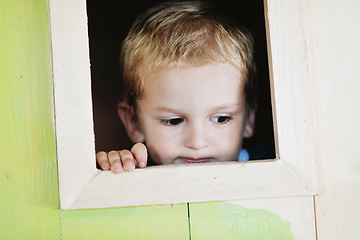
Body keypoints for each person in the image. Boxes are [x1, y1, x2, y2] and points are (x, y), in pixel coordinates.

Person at [96, 0, 258, 174]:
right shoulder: (135, 172)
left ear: (248, 118)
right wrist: (119, 171)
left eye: (221, 118)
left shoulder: (278, 166)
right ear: (134, 123)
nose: (197, 142)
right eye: (173, 121)